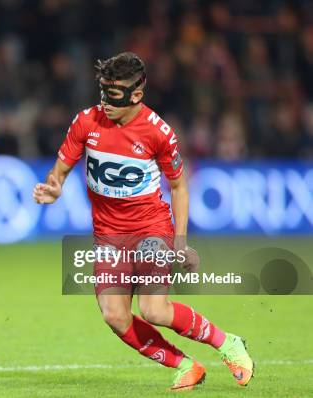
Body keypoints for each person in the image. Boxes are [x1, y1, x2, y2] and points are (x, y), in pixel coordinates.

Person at [33, 52, 253, 391]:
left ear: (137, 94)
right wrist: (53, 187)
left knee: (154, 311)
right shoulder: (86, 122)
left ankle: (228, 343)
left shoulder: (158, 133)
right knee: (114, 316)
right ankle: (186, 365)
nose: (105, 102)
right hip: (108, 236)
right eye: (103, 91)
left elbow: (179, 186)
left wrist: (179, 242)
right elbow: (59, 170)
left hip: (151, 229)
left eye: (114, 94)